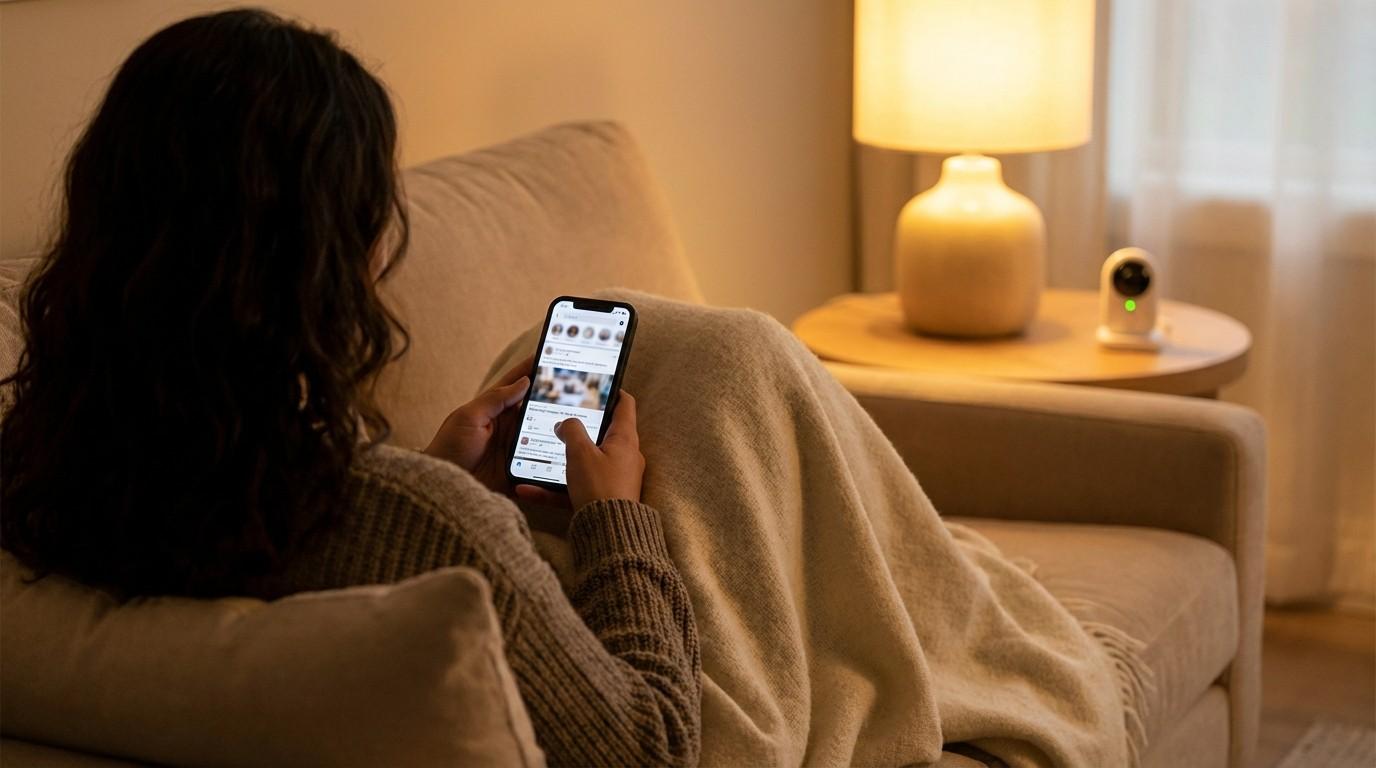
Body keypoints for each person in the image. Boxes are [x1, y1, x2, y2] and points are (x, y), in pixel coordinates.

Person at [0, 10, 698, 767]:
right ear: (324, 264)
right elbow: (649, 747)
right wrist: (616, 516)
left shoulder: (37, 470)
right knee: (722, 357)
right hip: (660, 674)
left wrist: (432, 471)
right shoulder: (428, 526)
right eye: (371, 215)